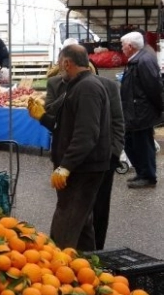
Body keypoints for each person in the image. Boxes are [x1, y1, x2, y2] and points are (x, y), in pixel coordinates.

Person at [30, 43, 124, 251]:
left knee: (66, 221)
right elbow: (64, 126)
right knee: (82, 224)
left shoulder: (87, 88)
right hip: (83, 165)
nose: (58, 68)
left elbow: (87, 134)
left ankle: (60, 269)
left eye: (60, 63)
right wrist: (43, 116)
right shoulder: (77, 86)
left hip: (84, 167)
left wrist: (66, 165)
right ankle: (90, 266)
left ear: (67, 63)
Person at [120, 31, 162, 189]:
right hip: (134, 111)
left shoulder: (143, 61)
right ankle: (142, 173)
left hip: (141, 113)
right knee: (131, 143)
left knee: (143, 145)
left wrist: (159, 109)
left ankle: (148, 177)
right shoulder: (137, 59)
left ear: (130, 47)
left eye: (123, 45)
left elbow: (154, 88)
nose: (122, 48)